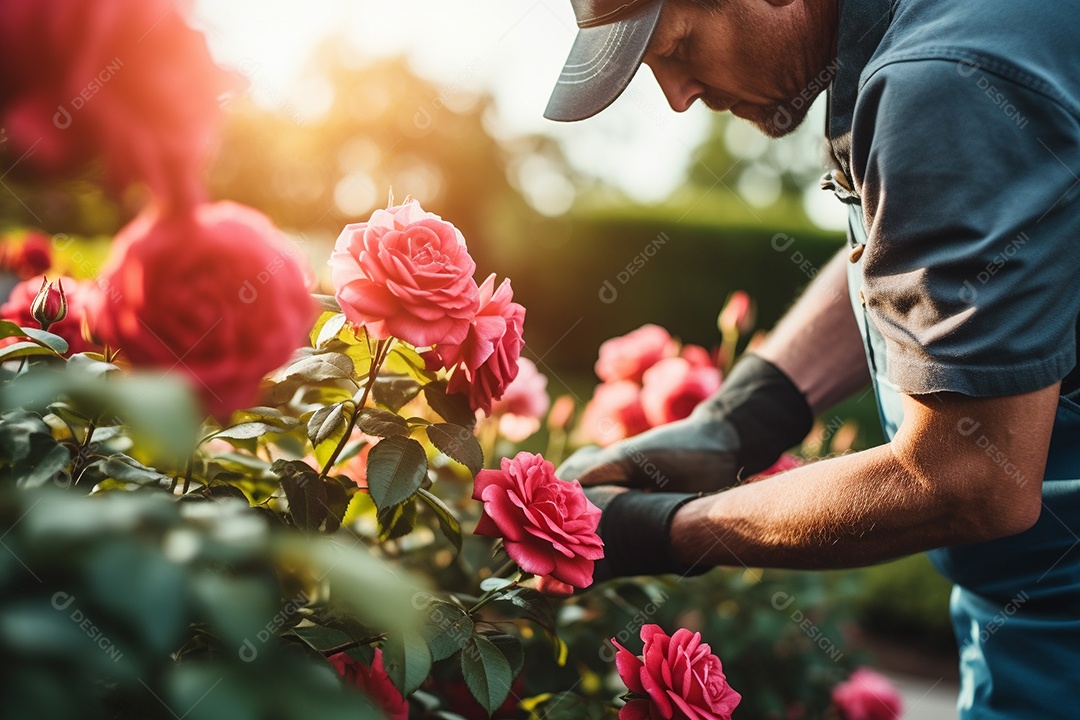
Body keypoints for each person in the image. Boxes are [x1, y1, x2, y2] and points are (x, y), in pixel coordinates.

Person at [545, 0, 1080, 717]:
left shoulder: (945, 78)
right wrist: (737, 423)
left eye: (675, 48)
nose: (677, 99)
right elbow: (922, 267)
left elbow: (970, 478)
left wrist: (667, 531)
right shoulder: (939, 38)